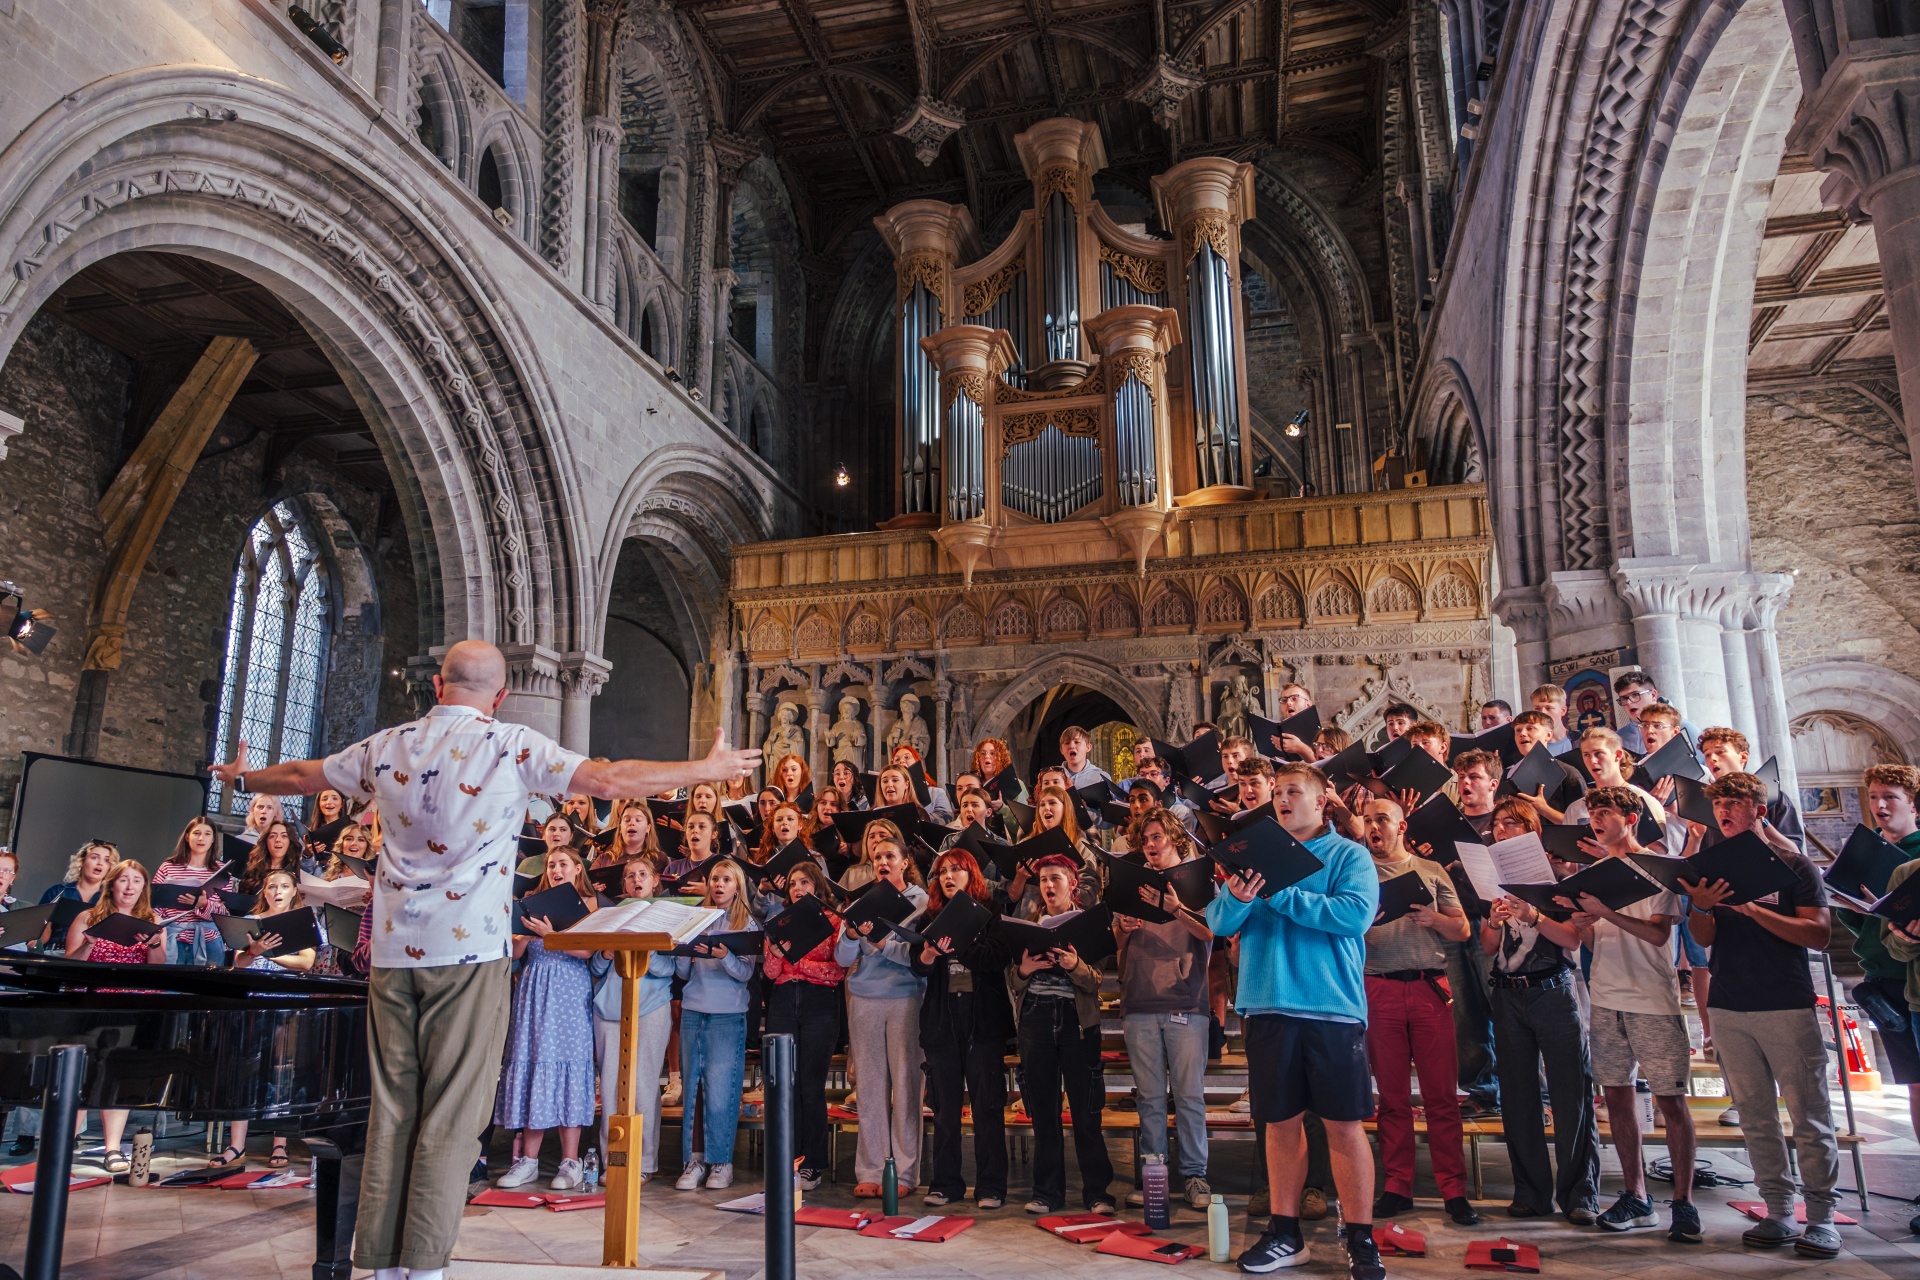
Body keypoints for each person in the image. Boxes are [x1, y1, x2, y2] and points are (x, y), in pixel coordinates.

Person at [207, 638, 761, 1280]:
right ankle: (424, 1265)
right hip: (468, 954)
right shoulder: (509, 745)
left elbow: (304, 777)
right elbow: (608, 780)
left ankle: (382, 1265)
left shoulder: (387, 746)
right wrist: (704, 770)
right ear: (499, 697)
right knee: (453, 1111)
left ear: (437, 687)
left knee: (393, 1111)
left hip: (390, 955)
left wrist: (242, 778)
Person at [1205, 763, 1383, 1280]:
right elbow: (1218, 923)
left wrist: (1276, 894)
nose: (1282, 800)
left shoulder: (1349, 855)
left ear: (1323, 798)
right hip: (1266, 1005)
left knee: (1344, 1127)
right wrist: (1238, 897)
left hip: (1330, 1007)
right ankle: (1285, 1234)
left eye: (1293, 792)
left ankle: (1360, 1236)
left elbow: (1353, 916)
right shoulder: (1254, 861)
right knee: (1279, 1125)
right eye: (1277, 793)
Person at [1685, 772, 1840, 1258]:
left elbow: (1818, 934)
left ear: (1759, 811)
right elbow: (1704, 939)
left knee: (1809, 1117)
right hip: (1729, 1003)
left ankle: (1821, 1217)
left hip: (1785, 1003)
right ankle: (1775, 1209)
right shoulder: (1712, 867)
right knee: (1754, 1116)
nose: (1724, 811)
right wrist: (1703, 908)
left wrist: (1753, 910)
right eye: (1718, 804)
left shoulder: (1794, 866)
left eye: (1734, 802)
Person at [1558, 787, 1698, 1242]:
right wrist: (1585, 924)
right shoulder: (1596, 873)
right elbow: (1596, 942)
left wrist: (1606, 913)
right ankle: (1637, 1195)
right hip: (1607, 995)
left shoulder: (1659, 871)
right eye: (1593, 813)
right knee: (1616, 1096)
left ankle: (1683, 1200)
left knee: (1670, 1101)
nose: (1596, 820)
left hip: (1652, 998)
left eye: (1605, 813)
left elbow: (1658, 937)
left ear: (1631, 818)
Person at [1357, 797, 1478, 1226]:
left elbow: (1462, 928)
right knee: (1390, 1098)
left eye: (1382, 820)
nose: (1374, 827)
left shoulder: (1430, 870)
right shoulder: (1358, 871)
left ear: (1401, 825)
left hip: (1429, 987)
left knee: (1441, 1097)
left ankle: (1453, 1190)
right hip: (1378, 986)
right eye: (1368, 821)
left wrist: (1435, 919)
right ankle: (1397, 1186)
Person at [1479, 800, 1599, 1223]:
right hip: (1508, 995)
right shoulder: (1492, 880)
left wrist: (1534, 915)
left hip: (1552, 989)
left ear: (1530, 830)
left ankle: (1580, 1193)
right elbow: (1489, 947)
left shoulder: (1558, 879)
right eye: (1496, 825)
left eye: (1510, 823)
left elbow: (1571, 941)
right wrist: (1493, 922)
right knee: (1517, 1096)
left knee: (1571, 1093)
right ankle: (1530, 1192)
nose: (1500, 830)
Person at [1114, 811, 1214, 1211]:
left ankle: (1195, 1176)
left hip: (1186, 1003)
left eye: (1158, 837)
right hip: (1139, 1001)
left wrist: (1174, 908)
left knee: (1188, 1095)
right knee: (1150, 1098)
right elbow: (1116, 944)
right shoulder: (1131, 883)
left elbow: (1211, 934)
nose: (1151, 845)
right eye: (1146, 840)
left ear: (1175, 838)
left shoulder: (1193, 883)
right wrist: (1122, 925)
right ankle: (1153, 1175)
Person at [1837, 763, 1920, 1235]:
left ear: (1912, 803)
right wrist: (1858, 911)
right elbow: (1876, 930)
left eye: (1890, 796)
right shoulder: (1878, 855)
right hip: (1888, 975)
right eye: (1873, 797)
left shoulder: (1914, 856)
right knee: (1913, 1084)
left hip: (1912, 979)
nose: (1880, 806)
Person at [1008, 853, 1114, 1216]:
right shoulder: (1028, 922)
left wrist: (1074, 965)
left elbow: (1096, 979)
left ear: (1072, 884)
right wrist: (1023, 970)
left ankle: (1097, 1193)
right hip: (1036, 1019)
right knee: (1044, 1111)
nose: (1048, 885)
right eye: (1043, 880)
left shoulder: (1087, 924)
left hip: (1076, 1021)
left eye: (1055, 878)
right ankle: (1046, 1191)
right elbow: (1013, 980)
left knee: (1086, 1112)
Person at [494, 845, 600, 1192]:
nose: (556, 869)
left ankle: (571, 1162)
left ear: (577, 869)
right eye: (552, 864)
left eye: (563, 864)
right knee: (533, 1065)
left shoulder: (589, 903)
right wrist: (521, 938)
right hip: (535, 989)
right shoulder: (531, 901)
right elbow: (519, 954)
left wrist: (548, 935)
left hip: (569, 992)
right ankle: (528, 1160)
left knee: (567, 1067)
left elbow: (585, 951)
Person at [912, 849, 1012, 1210]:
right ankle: (946, 1183)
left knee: (987, 1107)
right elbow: (918, 966)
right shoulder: (931, 915)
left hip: (983, 1021)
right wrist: (927, 955)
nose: (948, 876)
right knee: (944, 1110)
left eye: (956, 870)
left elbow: (998, 957)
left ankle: (991, 1185)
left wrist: (961, 942)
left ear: (972, 875)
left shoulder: (991, 913)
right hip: (942, 1020)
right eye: (942, 872)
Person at [834, 832, 929, 1198]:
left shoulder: (920, 901)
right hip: (864, 998)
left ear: (905, 862)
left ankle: (904, 1174)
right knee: (870, 1089)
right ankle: (871, 1169)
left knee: (906, 1088)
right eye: (876, 857)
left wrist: (879, 943)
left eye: (889, 855)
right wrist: (850, 934)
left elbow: (914, 955)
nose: (882, 862)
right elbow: (843, 961)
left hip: (905, 998)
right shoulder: (861, 902)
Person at [65, 858, 165, 1173]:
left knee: (119, 1076)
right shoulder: (89, 917)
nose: (130, 886)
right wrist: (88, 944)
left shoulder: (152, 919)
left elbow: (159, 968)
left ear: (144, 888)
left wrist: (153, 944)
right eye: (124, 880)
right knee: (82, 1075)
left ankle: (111, 1148)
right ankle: (63, 1146)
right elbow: (70, 964)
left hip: (132, 1005)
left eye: (137, 881)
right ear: (112, 885)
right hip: (92, 1004)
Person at [217, 867, 317, 1169]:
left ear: (293, 891)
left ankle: (279, 1144)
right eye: (272, 886)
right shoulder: (251, 922)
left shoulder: (302, 921)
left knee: (281, 1071)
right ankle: (236, 1145)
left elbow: (306, 963)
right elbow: (240, 963)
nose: (277, 892)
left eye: (284, 886)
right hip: (253, 1002)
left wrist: (269, 955)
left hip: (288, 1005)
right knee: (244, 1070)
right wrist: (253, 951)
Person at [586, 857, 675, 1183]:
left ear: (654, 881)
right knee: (610, 1089)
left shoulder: (667, 916)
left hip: (650, 1007)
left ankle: (644, 1162)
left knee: (643, 1087)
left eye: (642, 874)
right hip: (609, 1010)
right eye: (629, 876)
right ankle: (615, 1162)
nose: (636, 879)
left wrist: (645, 947)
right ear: (623, 885)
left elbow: (669, 970)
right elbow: (595, 970)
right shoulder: (610, 915)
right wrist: (605, 953)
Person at [674, 858, 759, 1191]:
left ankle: (721, 1162)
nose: (719, 885)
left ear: (737, 885)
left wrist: (724, 957)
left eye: (726, 879)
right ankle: (693, 1161)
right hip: (695, 1008)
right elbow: (682, 975)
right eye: (714, 879)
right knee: (693, 1090)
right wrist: (687, 952)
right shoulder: (697, 919)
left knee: (722, 1090)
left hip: (727, 1013)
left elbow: (746, 974)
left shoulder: (746, 922)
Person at [762, 860, 847, 1191]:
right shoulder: (779, 922)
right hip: (784, 1000)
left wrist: (797, 962)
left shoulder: (833, 921)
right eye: (793, 883)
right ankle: (787, 1159)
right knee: (784, 1085)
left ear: (818, 887)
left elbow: (837, 971)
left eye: (805, 883)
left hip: (819, 1004)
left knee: (811, 1087)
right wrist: (773, 953)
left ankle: (812, 1162)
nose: (798, 888)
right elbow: (771, 973)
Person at [152, 815, 232, 965]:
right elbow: (155, 906)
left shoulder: (222, 872)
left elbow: (225, 914)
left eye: (207, 834)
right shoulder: (168, 867)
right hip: (174, 938)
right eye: (196, 833)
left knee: (205, 987)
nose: (201, 838)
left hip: (210, 941)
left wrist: (203, 905)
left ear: (213, 839)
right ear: (188, 837)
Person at [38, 839, 116, 949]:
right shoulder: (57, 892)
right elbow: (39, 937)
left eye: (106, 860)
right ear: (82, 862)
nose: (100, 863)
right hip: (55, 952)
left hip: (91, 957)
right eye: (94, 858)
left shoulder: (111, 898)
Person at [1611, 670, 1701, 757]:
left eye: (1635, 695)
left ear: (1653, 695)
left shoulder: (1687, 729)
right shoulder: (1618, 739)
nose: (1629, 702)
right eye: (1624, 698)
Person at [239, 819, 304, 894]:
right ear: (266, 841)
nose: (278, 840)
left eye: (284, 836)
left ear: (290, 842)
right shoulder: (253, 870)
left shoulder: (297, 872)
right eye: (272, 836)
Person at [1529, 684, 1576, 757]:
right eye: (1537, 709)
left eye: (1548, 708)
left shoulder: (1579, 742)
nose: (1543, 712)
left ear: (1563, 710)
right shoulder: (1528, 745)